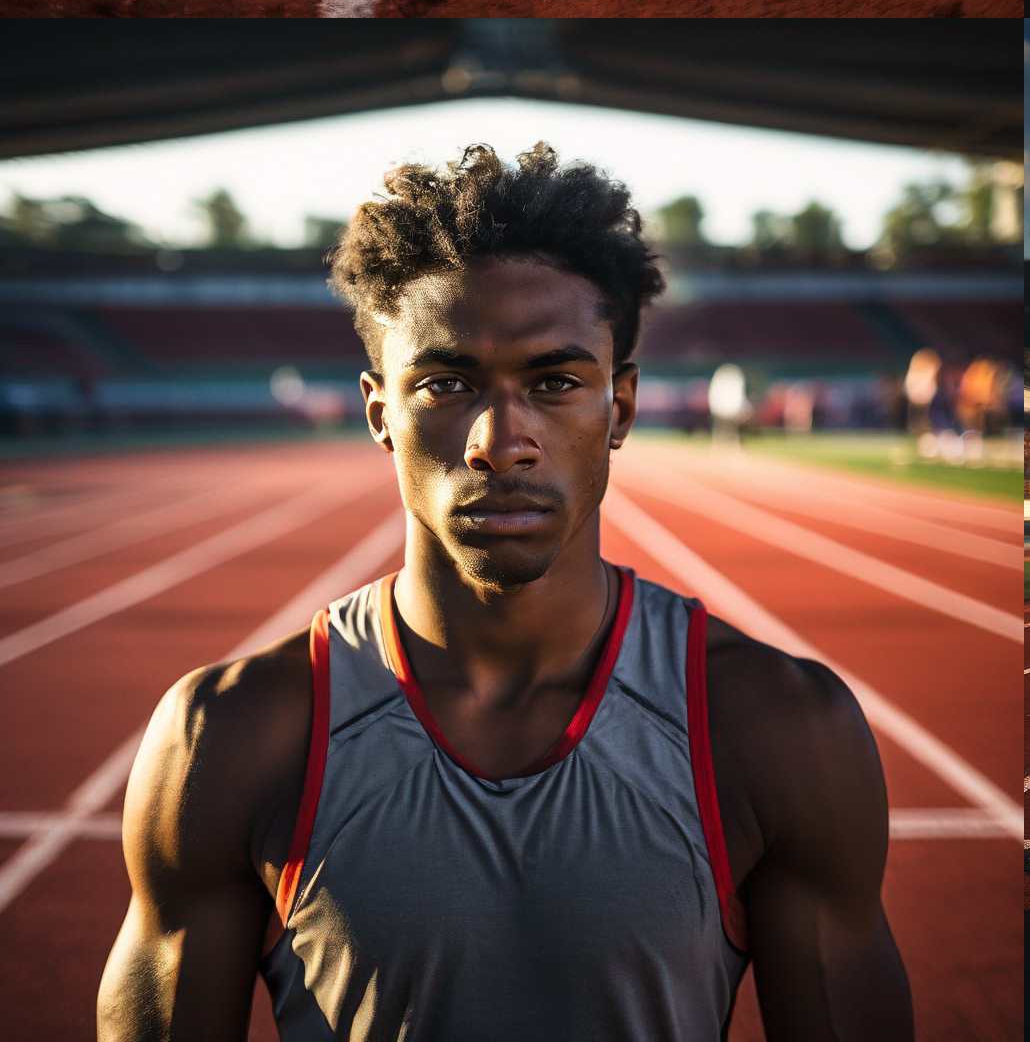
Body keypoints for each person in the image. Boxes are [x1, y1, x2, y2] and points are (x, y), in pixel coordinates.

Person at [98, 144, 909, 1041]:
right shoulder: (230, 736)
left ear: (623, 409)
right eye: (447, 384)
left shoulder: (777, 729)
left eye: (556, 383)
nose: (500, 440)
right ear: (380, 413)